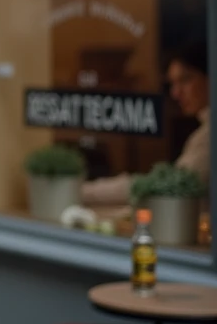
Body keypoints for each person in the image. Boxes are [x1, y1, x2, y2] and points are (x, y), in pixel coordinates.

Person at [83, 40, 210, 205]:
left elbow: (168, 186)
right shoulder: (204, 130)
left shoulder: (208, 138)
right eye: (172, 83)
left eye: (185, 80)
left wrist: (84, 192)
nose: (176, 93)